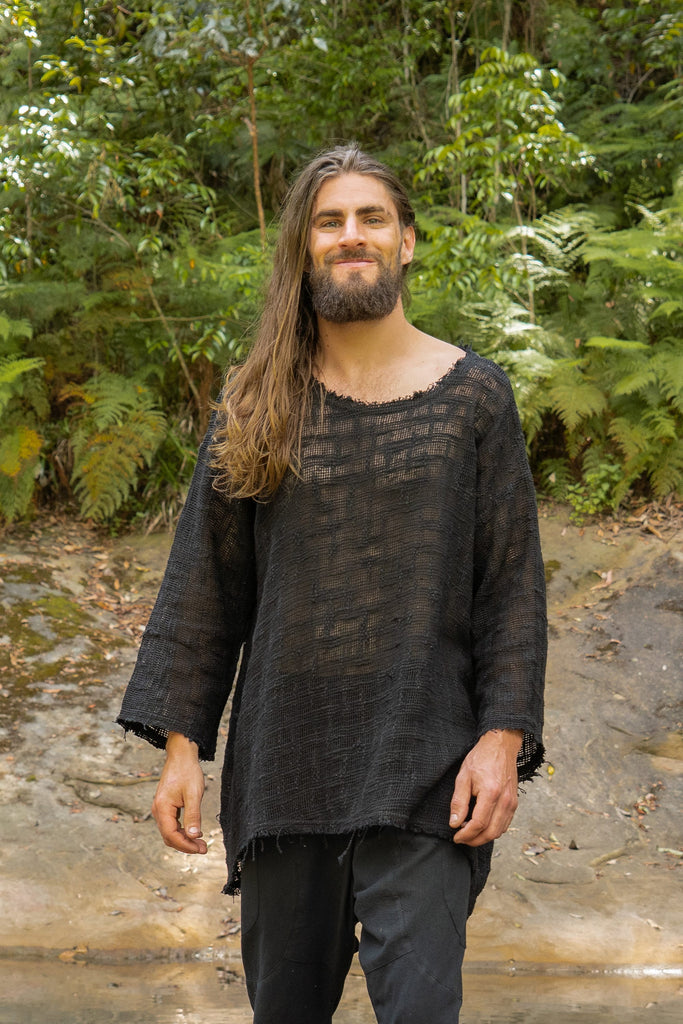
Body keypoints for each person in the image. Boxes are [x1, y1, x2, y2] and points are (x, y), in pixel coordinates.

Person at [118, 144, 546, 1024]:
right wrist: (181, 751)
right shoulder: (255, 405)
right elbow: (205, 587)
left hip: (428, 766)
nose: (351, 235)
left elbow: (509, 588)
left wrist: (501, 739)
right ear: (303, 246)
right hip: (285, 769)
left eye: (370, 218)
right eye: (329, 221)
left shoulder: (474, 399)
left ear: (405, 242)